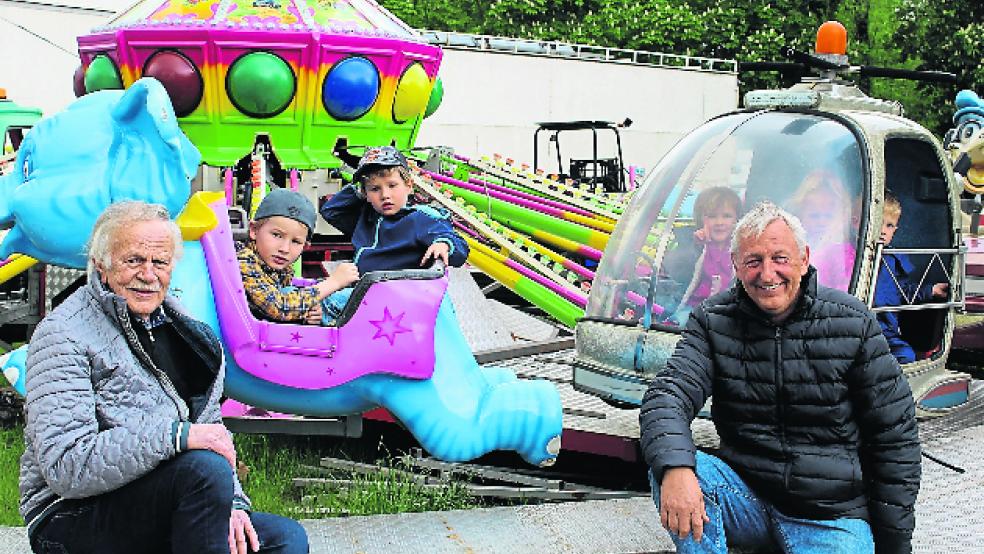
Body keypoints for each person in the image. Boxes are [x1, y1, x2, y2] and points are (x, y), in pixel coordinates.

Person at [19, 201, 309, 554]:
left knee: (284, 540)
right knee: (202, 471)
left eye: (160, 262)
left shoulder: (189, 333)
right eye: (133, 260)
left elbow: (211, 434)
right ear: (101, 264)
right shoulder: (63, 334)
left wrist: (231, 503)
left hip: (167, 495)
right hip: (69, 515)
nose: (148, 274)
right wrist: (174, 437)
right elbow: (67, 466)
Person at [639, 201, 920, 554]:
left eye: (780, 258)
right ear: (736, 266)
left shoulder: (852, 322)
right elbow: (668, 394)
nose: (767, 274)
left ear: (804, 258)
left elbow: (895, 436)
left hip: (829, 515)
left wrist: (895, 546)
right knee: (672, 469)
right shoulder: (713, 320)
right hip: (746, 497)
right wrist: (675, 467)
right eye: (753, 261)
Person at [319, 145, 468, 276]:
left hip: (400, 296)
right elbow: (331, 211)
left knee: (323, 302)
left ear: (408, 185)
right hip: (364, 290)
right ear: (365, 194)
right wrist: (357, 190)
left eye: (392, 186)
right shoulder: (366, 219)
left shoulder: (420, 218)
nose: (385, 195)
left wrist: (444, 244)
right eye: (375, 189)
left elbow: (457, 244)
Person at [238, 188, 360, 325]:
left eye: (295, 242)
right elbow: (278, 307)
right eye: (276, 235)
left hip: (269, 327)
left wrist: (307, 313)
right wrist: (334, 283)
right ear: (254, 230)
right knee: (349, 298)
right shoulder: (245, 260)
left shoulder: (279, 266)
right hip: (254, 334)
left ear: (305, 246)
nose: (284, 249)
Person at [874, 191, 949, 363]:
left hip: (886, 332)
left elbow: (904, 291)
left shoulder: (894, 260)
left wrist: (931, 290)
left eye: (889, 226)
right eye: (879, 223)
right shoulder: (851, 254)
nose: (883, 231)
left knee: (906, 355)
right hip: (859, 328)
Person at [673, 186, 741, 312]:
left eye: (726, 216)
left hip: (726, 310)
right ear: (701, 219)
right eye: (712, 216)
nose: (719, 222)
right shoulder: (696, 245)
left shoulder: (740, 247)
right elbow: (681, 275)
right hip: (695, 307)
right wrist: (695, 247)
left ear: (737, 220)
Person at [786, 170, 856, 291]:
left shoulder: (843, 255)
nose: (822, 222)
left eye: (829, 216)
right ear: (799, 216)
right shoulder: (792, 247)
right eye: (814, 216)